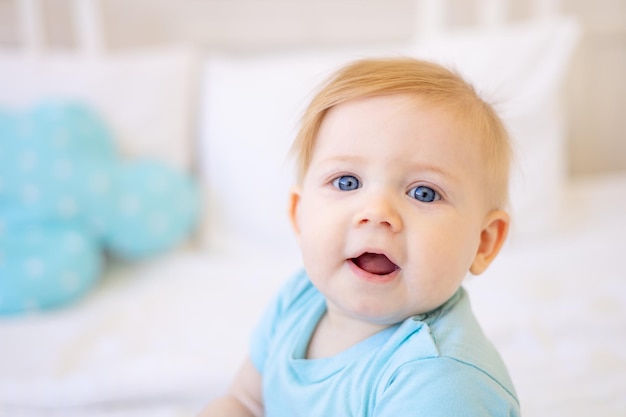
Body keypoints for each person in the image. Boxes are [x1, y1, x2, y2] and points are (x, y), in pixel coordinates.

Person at [200, 57, 520, 416]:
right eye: (347, 182)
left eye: (424, 193)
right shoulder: (299, 298)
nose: (378, 212)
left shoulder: (443, 382)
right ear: (299, 215)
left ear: (484, 242)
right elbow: (246, 401)